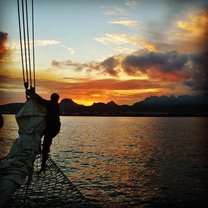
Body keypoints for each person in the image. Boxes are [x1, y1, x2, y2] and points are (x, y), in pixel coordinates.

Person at [27, 89, 61, 172]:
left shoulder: (51, 105)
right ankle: (43, 149)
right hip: (53, 128)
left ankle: (43, 166)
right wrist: (33, 95)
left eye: (52, 98)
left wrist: (32, 94)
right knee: (40, 138)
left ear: (53, 99)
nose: (51, 100)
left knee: (45, 146)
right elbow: (41, 101)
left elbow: (40, 100)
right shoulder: (55, 105)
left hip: (51, 129)